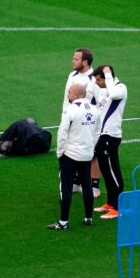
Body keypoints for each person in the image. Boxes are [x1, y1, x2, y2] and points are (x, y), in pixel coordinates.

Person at [47, 83, 101, 230]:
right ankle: (88, 218)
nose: (67, 94)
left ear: (76, 95)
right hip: (86, 155)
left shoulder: (70, 110)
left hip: (70, 155)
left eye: (69, 92)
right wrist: (91, 148)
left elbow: (62, 133)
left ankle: (63, 222)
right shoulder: (95, 110)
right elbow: (97, 132)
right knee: (87, 185)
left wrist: (60, 153)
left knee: (65, 187)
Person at [61, 48, 102, 197]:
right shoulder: (72, 75)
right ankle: (77, 182)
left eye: (76, 59)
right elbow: (67, 98)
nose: (73, 61)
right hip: (71, 117)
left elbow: (98, 101)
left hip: (87, 120)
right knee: (73, 149)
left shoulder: (93, 79)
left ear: (85, 62)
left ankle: (95, 185)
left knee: (92, 152)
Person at [90, 65, 128, 220]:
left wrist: (108, 75)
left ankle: (118, 208)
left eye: (99, 79)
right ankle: (111, 203)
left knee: (113, 171)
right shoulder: (105, 90)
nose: (97, 83)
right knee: (105, 170)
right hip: (102, 135)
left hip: (111, 136)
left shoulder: (120, 88)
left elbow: (113, 93)